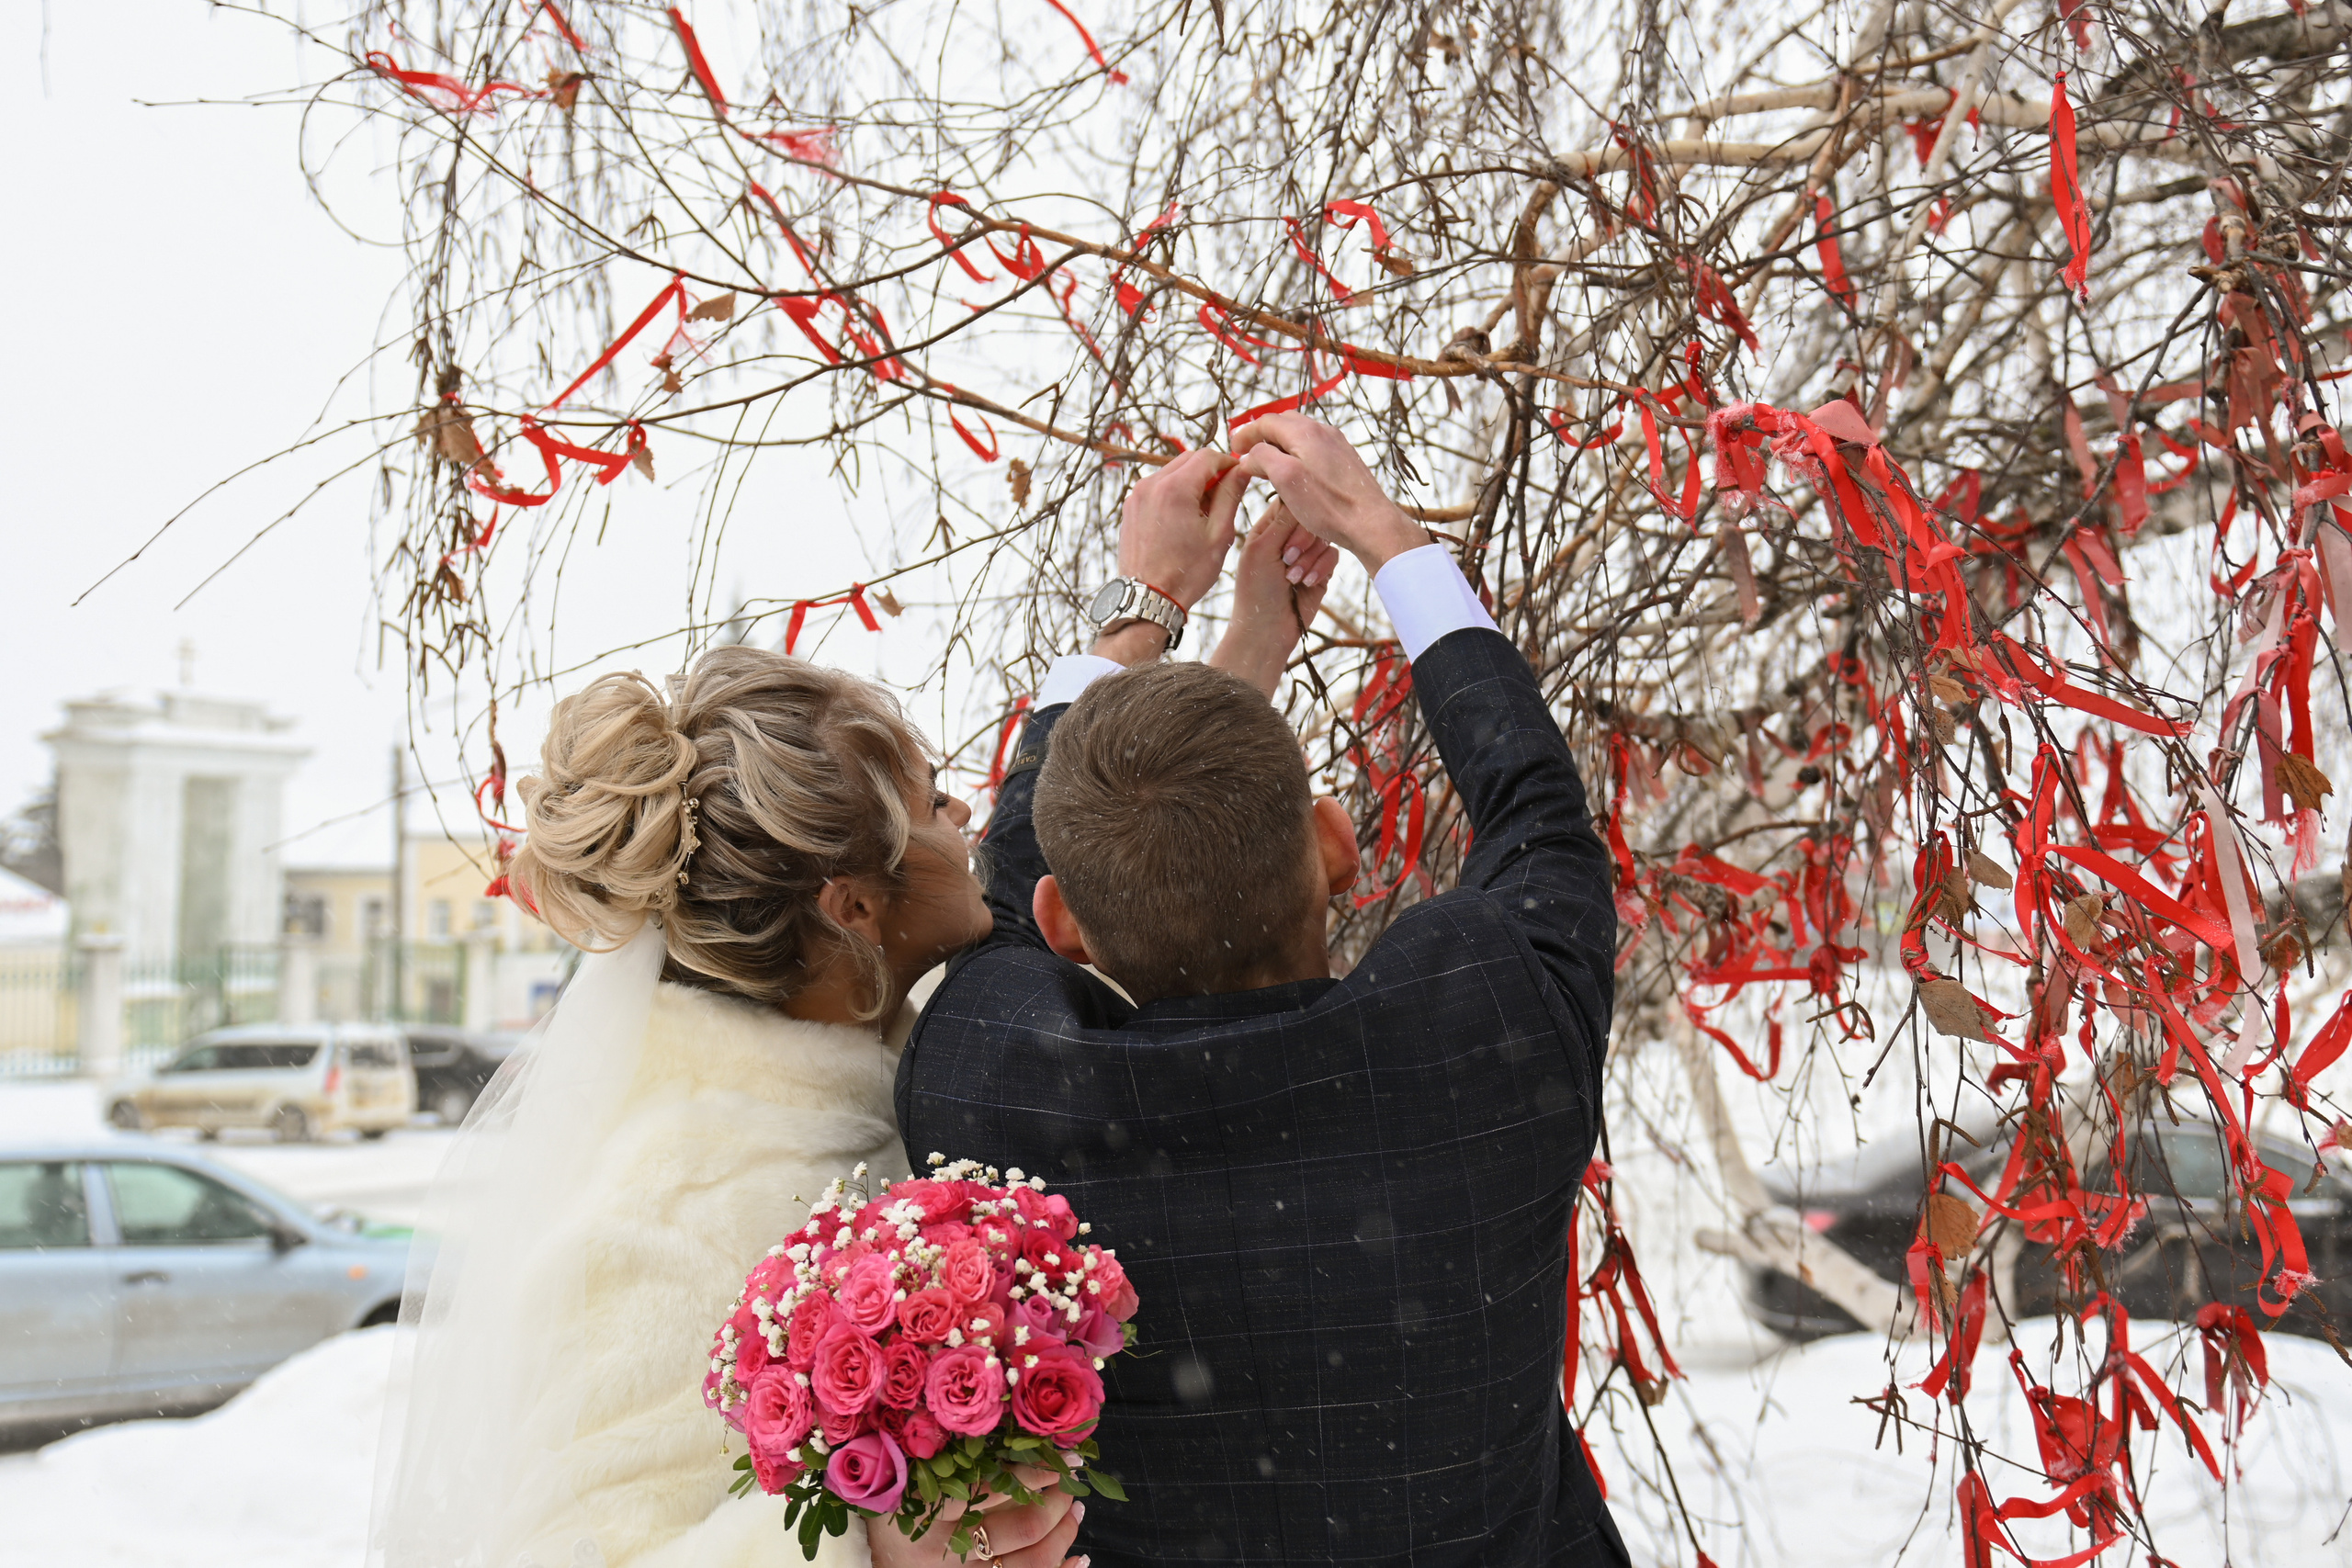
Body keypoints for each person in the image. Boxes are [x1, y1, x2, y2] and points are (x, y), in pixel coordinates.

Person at [897, 417, 1628, 1566]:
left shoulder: (980, 1085)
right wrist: (1384, 536)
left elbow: (1011, 879)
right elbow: (1540, 813)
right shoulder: (1492, 1027)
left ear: (1062, 928)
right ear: (1339, 847)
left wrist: (1147, 600)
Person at [371, 649, 1083, 1568]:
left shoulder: (892, 1074)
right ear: (855, 907)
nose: (959, 823)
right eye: (926, 801)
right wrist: (876, 1548)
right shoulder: (672, 1208)